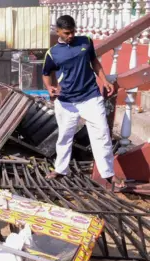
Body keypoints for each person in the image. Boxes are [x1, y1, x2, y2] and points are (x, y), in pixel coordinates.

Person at [42, 15, 126, 192]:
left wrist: (105, 80)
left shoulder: (86, 42)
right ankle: (60, 169)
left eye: (73, 31)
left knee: (102, 133)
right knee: (65, 136)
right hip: (66, 101)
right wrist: (49, 88)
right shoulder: (52, 53)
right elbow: (46, 73)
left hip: (90, 96)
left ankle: (108, 173)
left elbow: (94, 62)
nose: (71, 35)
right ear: (58, 31)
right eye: (67, 33)